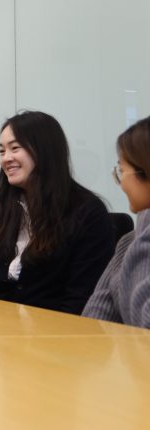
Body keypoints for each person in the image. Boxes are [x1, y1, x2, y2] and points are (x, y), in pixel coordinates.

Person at [0, 111, 114, 313]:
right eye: (1, 151)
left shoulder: (87, 212)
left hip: (60, 335)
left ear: (44, 150)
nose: (6, 158)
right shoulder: (1, 209)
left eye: (15, 148)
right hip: (0, 333)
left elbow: (82, 300)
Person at [84, 116, 150, 327]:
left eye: (122, 170)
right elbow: (95, 315)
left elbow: (145, 323)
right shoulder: (129, 241)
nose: (121, 183)